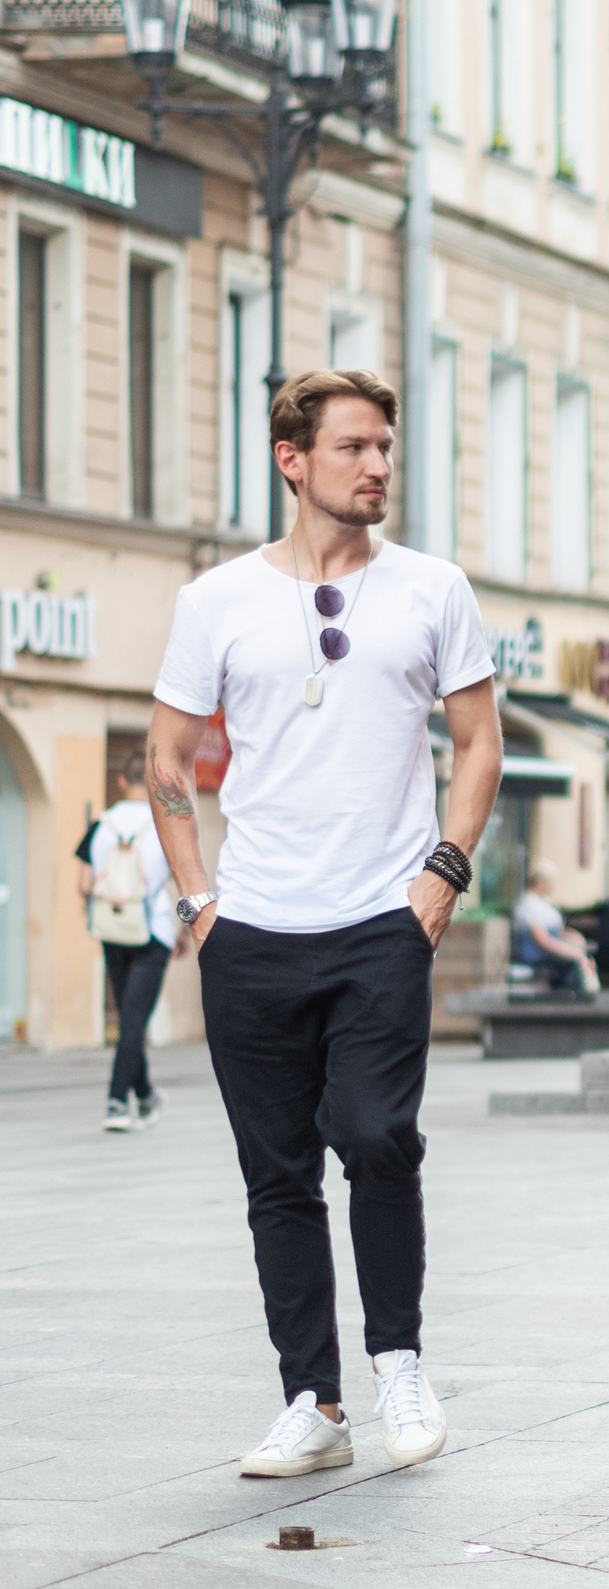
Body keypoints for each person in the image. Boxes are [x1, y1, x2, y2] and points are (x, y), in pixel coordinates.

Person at [145, 368, 503, 1478]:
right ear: (293, 460)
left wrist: (441, 873)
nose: (378, 466)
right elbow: (164, 758)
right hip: (250, 931)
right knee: (277, 1173)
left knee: (377, 1134)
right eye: (354, 447)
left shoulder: (433, 588)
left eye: (386, 447)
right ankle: (313, 1398)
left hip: (380, 923)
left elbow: (479, 742)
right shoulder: (215, 600)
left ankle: (398, 1360)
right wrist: (199, 898)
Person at [83, 750, 175, 1132]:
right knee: (134, 1021)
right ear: (151, 783)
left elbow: (85, 885)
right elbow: (179, 883)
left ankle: (146, 1095)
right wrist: (184, 930)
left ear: (121, 781)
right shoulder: (163, 826)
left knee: (129, 1018)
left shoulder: (100, 826)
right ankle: (117, 1101)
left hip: (112, 931)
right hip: (153, 931)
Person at [512, 860, 596, 992]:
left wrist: (573, 936)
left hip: (549, 951)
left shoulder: (544, 902)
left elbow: (556, 931)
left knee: (582, 959)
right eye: (551, 882)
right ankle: (573, 1003)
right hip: (538, 955)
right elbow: (543, 940)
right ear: (540, 882)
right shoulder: (529, 906)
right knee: (573, 964)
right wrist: (573, 953)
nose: (554, 886)